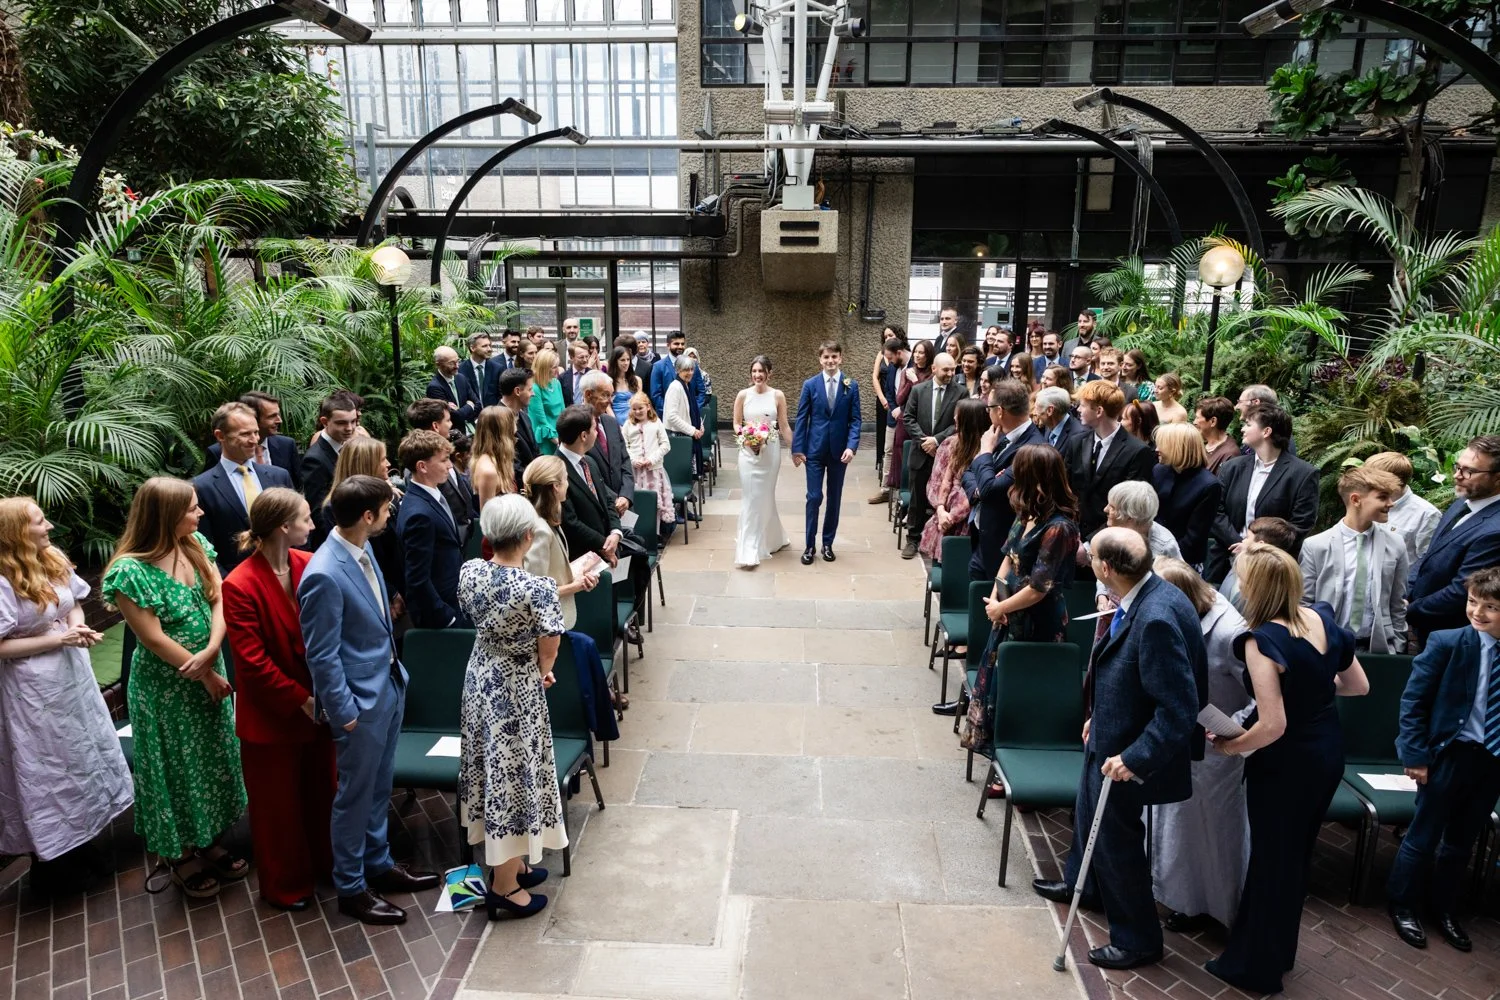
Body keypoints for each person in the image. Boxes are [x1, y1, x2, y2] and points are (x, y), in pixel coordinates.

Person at [1031, 528, 1206, 971]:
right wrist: (1099, 714)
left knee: (1116, 841)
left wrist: (1135, 758)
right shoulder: (1144, 596)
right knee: (1087, 813)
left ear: (1106, 569)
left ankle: (1138, 939)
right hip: (1108, 735)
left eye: (1091, 555)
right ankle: (1084, 887)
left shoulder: (1159, 617)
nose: (1086, 558)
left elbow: (1179, 708)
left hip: (1125, 756)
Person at [1203, 544, 1369, 995]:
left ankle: (1255, 968)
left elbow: (1273, 725)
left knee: (1273, 859)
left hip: (1286, 761)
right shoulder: (1323, 620)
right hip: (1327, 752)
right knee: (1294, 857)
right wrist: (1311, 683)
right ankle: (1277, 951)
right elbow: (1358, 685)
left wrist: (1232, 746)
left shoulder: (1262, 640)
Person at [300, 475, 439, 925]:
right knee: (354, 795)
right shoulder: (323, 573)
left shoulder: (364, 551)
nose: (389, 516)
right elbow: (321, 654)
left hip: (388, 686)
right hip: (358, 705)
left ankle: (378, 862)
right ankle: (351, 886)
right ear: (367, 516)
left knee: (380, 786)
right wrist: (345, 713)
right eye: (385, 509)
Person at [102, 478, 247, 899]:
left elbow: (217, 597)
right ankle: (180, 855)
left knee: (210, 756)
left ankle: (209, 840)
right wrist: (203, 671)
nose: (199, 514)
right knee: (177, 765)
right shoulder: (129, 571)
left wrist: (214, 648)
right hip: (168, 686)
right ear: (165, 516)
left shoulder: (195, 544)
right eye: (192, 509)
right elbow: (151, 637)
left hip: (209, 664)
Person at [0, 498, 131, 891]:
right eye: (41, 523)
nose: (50, 527)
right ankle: (52, 855)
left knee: (80, 753)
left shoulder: (50, 557)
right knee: (46, 767)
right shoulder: (3, 579)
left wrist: (77, 629)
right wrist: (59, 639)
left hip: (71, 676)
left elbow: (73, 603)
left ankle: (86, 838)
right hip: (29, 690)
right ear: (17, 533)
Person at [456, 494, 569, 920]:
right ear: (527, 536)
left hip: (481, 675)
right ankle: (504, 886)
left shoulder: (470, 572)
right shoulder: (535, 588)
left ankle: (515, 862)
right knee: (512, 774)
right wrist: (543, 668)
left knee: (493, 768)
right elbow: (550, 643)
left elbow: (473, 613)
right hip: (516, 686)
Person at [222, 488, 335, 911]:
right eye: (306, 519)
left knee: (323, 793)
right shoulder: (239, 584)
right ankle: (285, 886)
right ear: (284, 527)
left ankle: (328, 866)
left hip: (317, 706)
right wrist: (303, 701)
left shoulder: (309, 565)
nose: (313, 525)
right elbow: (251, 663)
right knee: (278, 810)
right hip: (274, 715)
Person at [1386, 566, 1500, 953]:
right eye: (1473, 602)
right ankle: (1403, 904)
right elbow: (1414, 702)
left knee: (1461, 841)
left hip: (1491, 760)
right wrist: (1416, 755)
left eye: (1491, 607)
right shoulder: (1448, 642)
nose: (1478, 612)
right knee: (1423, 835)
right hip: (1449, 755)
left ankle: (1445, 908)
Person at [1148, 558, 1250, 934]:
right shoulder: (1187, 616)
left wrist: (1234, 730)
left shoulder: (1231, 633)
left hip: (1219, 746)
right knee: (1179, 826)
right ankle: (1184, 902)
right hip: (1184, 740)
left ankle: (1222, 911)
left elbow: (1262, 695)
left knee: (1216, 832)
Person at [1300, 466, 1410, 653]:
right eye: (1382, 497)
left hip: (1377, 646)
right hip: (1328, 646)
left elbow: (1397, 602)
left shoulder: (1395, 544)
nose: (1390, 503)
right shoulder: (1316, 545)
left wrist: (1397, 645)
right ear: (1356, 500)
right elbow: (1304, 602)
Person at [1208, 402, 1319, 583]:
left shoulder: (1303, 474)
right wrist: (1239, 544)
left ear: (1266, 432)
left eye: (1249, 424)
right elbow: (1215, 510)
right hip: (1225, 560)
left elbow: (1300, 524)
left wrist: (1255, 548)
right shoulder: (1232, 467)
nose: (1243, 429)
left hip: (1271, 568)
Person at [1406, 435, 1500, 644]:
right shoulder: (1464, 501)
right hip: (1425, 628)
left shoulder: (1495, 530)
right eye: (1458, 466)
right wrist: (1406, 594)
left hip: (1454, 638)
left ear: (1498, 478)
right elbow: (1430, 554)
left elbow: (1462, 590)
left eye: (1470, 471)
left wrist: (1408, 611)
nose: (1458, 475)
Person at [981, 443, 1080, 642]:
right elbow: (1009, 557)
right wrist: (995, 598)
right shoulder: (1027, 512)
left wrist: (1001, 607)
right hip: (1008, 611)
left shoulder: (1058, 528)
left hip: (1036, 622)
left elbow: (1038, 588)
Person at [194, 401, 295, 577]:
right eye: (245, 434)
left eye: (256, 432)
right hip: (235, 582)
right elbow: (203, 547)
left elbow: (297, 525)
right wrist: (228, 584)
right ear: (220, 436)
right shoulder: (201, 487)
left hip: (285, 576)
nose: (254, 440)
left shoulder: (279, 476)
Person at [963, 380, 1047, 582]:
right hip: (982, 539)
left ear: (999, 411)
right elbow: (967, 472)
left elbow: (992, 490)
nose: (987, 413)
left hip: (1003, 547)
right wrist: (979, 490)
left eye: (988, 408)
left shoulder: (1032, 447)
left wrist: (985, 454)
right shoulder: (1001, 434)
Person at [322, 436, 406, 625]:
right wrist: (390, 592)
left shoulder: (388, 497)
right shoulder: (334, 510)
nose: (388, 464)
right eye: (383, 459)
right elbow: (356, 558)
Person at [793, 341, 862, 565]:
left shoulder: (851, 385)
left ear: (841, 358)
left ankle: (827, 543)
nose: (830, 361)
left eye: (834, 357)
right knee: (814, 497)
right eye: (826, 357)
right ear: (820, 360)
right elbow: (802, 418)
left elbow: (855, 420)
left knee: (834, 498)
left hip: (839, 452)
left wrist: (851, 446)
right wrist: (797, 448)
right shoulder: (810, 385)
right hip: (814, 450)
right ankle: (809, 545)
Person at [1062, 380, 1156, 541]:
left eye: (1083, 405)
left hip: (1110, 540)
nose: (1078, 410)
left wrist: (1089, 544)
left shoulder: (1138, 452)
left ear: (1099, 411)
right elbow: (1065, 487)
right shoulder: (1076, 442)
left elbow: (1129, 508)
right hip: (1071, 535)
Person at [397, 430, 470, 630]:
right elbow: (417, 579)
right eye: (444, 460)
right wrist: (447, 618)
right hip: (443, 615)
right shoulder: (419, 515)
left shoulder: (432, 495)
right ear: (422, 466)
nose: (449, 465)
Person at [901, 352, 968, 560]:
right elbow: (908, 417)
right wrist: (925, 441)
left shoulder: (961, 393)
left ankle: (936, 541)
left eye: (953, 369)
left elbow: (958, 423)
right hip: (921, 453)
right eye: (946, 369)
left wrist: (937, 440)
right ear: (934, 369)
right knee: (917, 498)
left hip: (947, 455)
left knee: (942, 499)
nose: (950, 373)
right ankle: (912, 539)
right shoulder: (919, 390)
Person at [522, 456, 602, 630]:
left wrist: (577, 575)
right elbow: (534, 591)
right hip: (547, 624)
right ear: (556, 487)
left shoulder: (547, 521)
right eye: (566, 479)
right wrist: (576, 585)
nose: (568, 484)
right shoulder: (540, 530)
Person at [734, 355, 792, 569]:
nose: (757, 375)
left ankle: (772, 538)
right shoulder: (743, 395)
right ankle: (749, 548)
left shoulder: (778, 395)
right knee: (751, 496)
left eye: (761, 371)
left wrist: (795, 450)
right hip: (748, 453)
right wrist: (747, 438)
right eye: (754, 371)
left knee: (766, 495)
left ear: (769, 373)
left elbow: (784, 425)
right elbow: (736, 423)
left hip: (771, 452)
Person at [918, 397, 987, 562]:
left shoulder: (986, 450)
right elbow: (937, 480)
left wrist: (952, 516)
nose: (954, 418)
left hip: (968, 522)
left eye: (958, 415)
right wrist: (941, 510)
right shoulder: (949, 444)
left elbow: (977, 490)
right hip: (944, 516)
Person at [405, 397, 475, 545]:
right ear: (436, 426)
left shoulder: (444, 452)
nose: (451, 425)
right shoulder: (419, 468)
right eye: (448, 420)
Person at [1152, 423, 1223, 569]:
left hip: (1183, 563)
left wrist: (1162, 555)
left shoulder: (1208, 485)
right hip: (1152, 555)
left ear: (1178, 448)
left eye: (1162, 445)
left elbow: (1194, 538)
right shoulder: (1159, 471)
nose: (1157, 449)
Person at [205, 390, 302, 489]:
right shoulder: (217, 452)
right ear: (253, 417)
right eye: (272, 416)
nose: (279, 420)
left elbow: (297, 486)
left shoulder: (286, 445)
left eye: (278, 415)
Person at [301, 393, 360, 546]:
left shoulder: (344, 447)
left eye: (353, 421)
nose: (350, 428)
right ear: (325, 422)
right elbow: (318, 511)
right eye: (342, 423)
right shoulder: (315, 459)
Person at [1365, 451, 1442, 566]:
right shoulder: (1368, 502)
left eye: (1374, 479)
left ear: (1394, 482)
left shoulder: (1426, 514)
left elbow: (1428, 563)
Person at [623, 392, 676, 538]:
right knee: (635, 501)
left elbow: (665, 445)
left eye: (640, 408)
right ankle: (635, 533)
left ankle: (655, 533)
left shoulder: (656, 423)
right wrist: (633, 459)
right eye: (634, 409)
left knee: (655, 502)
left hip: (653, 470)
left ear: (647, 407)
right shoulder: (628, 425)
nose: (637, 412)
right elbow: (624, 445)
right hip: (635, 471)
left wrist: (652, 459)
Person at [1219, 515, 1298, 612]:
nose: (1243, 540)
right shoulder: (1241, 563)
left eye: (1247, 537)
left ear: (1260, 545)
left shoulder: (1260, 588)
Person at [884, 338, 933, 494]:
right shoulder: (907, 371)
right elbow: (899, 399)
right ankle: (901, 495)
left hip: (922, 421)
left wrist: (915, 381)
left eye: (921, 352)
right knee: (900, 456)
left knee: (918, 459)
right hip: (904, 421)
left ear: (928, 355)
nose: (917, 356)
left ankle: (916, 494)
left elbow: (925, 399)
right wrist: (910, 382)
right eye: (916, 352)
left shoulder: (932, 373)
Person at [582, 370, 635, 510]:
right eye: (605, 395)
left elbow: (625, 460)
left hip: (623, 504)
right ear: (588, 394)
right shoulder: (575, 425)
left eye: (611, 395)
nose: (610, 401)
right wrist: (613, 499)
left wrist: (626, 495)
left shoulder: (611, 423)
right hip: (597, 507)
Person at [869, 333, 909, 504]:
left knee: (904, 453)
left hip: (909, 418)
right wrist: (893, 408)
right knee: (888, 451)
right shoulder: (893, 367)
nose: (889, 362)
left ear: (899, 353)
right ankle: (886, 489)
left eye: (891, 358)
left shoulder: (914, 367)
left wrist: (903, 410)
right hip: (893, 417)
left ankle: (902, 490)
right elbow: (889, 391)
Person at [663, 352, 706, 483]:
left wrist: (700, 426)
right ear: (678, 370)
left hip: (686, 434)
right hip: (678, 436)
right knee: (681, 472)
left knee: (688, 471)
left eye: (692, 369)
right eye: (686, 370)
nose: (690, 373)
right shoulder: (675, 387)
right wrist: (693, 430)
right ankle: (681, 502)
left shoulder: (686, 385)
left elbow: (693, 410)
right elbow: (671, 416)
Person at [471, 405, 520, 508]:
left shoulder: (500, 459)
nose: (515, 436)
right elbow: (487, 518)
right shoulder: (488, 471)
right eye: (512, 433)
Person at [425, 345, 481, 434]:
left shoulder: (461, 378)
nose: (457, 366)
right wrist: (469, 405)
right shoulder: (434, 387)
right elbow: (454, 417)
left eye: (458, 361)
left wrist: (461, 411)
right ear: (438, 364)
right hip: (453, 436)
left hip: (472, 431)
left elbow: (478, 404)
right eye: (451, 363)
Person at [650, 331, 706, 416]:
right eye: (676, 344)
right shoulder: (658, 366)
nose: (680, 346)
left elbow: (701, 391)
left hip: (691, 417)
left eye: (682, 344)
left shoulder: (693, 365)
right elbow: (656, 395)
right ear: (668, 345)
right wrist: (669, 411)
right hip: (668, 418)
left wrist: (694, 409)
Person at [500, 367, 541, 481]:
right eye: (530, 389)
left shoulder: (524, 416)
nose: (533, 394)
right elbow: (511, 465)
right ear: (517, 391)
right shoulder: (497, 421)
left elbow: (535, 451)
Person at [528, 347, 565, 455]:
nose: (557, 370)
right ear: (544, 368)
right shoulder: (535, 388)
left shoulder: (556, 382)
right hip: (546, 439)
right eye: (554, 367)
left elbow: (563, 411)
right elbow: (541, 421)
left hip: (560, 434)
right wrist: (557, 441)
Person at [1193, 396, 1242, 475]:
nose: (1194, 422)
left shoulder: (1230, 454)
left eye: (1197, 418)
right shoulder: (1200, 444)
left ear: (1213, 421)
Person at [464, 332, 501, 409]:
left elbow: (501, 395)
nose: (489, 349)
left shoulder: (497, 369)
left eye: (489, 345)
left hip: (493, 415)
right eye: (484, 346)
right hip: (470, 417)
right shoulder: (461, 370)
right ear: (472, 348)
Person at [607, 345, 640, 425]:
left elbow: (640, 402)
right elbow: (608, 407)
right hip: (616, 421)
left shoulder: (637, 380)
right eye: (622, 360)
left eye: (628, 360)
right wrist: (616, 425)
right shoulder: (608, 381)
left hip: (634, 421)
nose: (626, 363)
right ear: (615, 361)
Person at [560, 341, 593, 409]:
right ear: (571, 357)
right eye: (581, 357)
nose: (585, 360)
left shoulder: (594, 376)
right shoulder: (562, 378)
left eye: (587, 356)